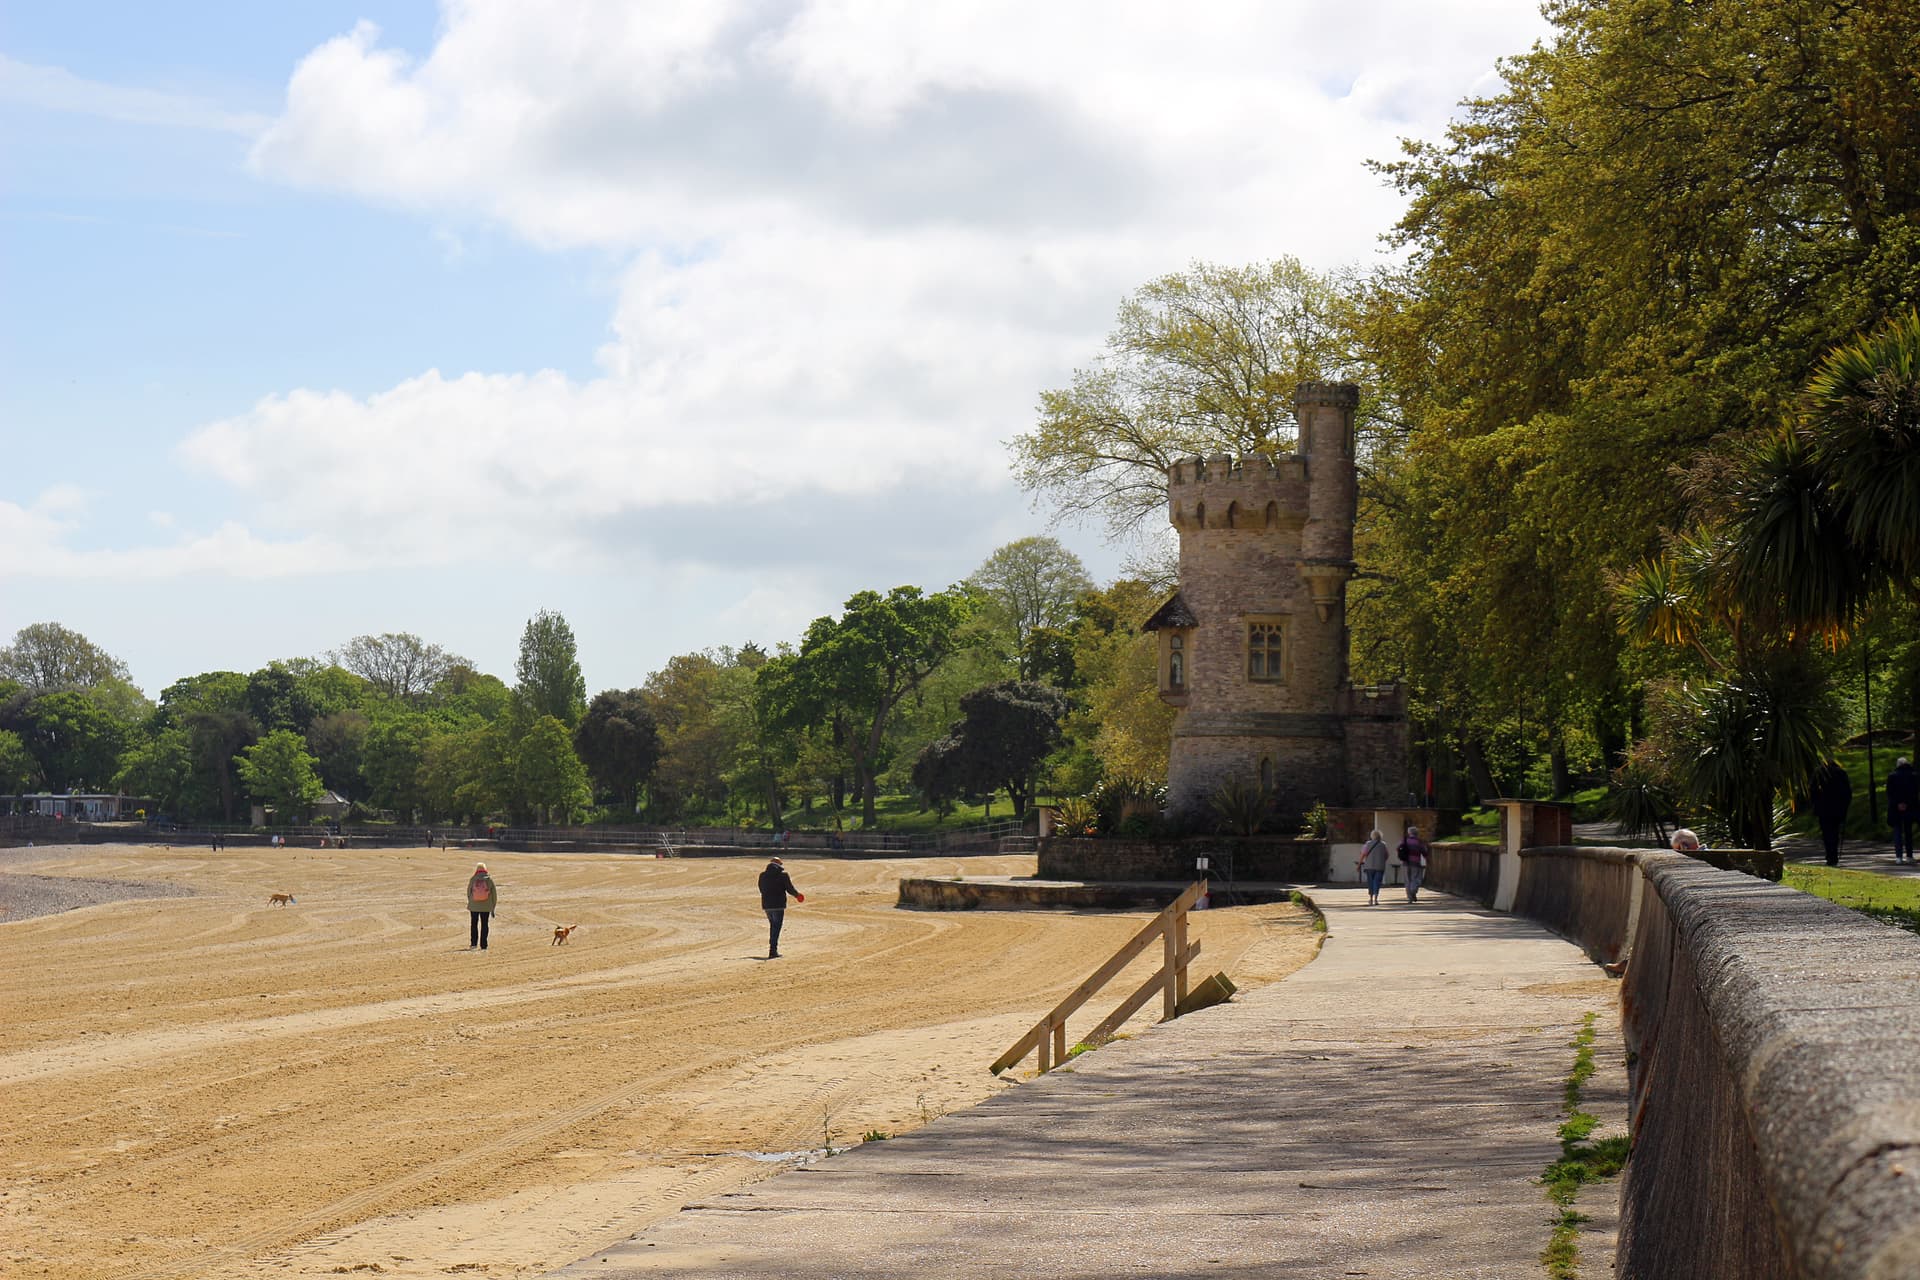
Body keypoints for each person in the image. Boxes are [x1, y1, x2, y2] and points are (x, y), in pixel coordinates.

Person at [1808, 760, 1852, 866]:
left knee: (1827, 833)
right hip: (1837, 808)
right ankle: (1834, 856)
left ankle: (1830, 856)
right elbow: (1847, 792)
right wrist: (1845, 806)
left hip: (1823, 808)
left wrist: (1816, 803)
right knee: (1835, 833)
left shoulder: (1819, 773)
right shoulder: (1841, 773)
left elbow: (1812, 790)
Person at [758, 856, 803, 958]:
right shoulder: (783, 875)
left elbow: (761, 889)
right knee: (776, 927)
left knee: (773, 926)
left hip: (767, 905)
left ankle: (772, 948)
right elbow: (789, 889)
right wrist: (797, 895)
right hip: (778, 905)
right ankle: (773, 950)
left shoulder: (762, 875)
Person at [1889, 757, 1918, 864]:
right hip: (1909, 807)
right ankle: (1909, 855)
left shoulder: (1892, 776)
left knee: (1897, 831)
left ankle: (1898, 857)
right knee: (1908, 831)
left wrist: (1898, 803)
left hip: (1896, 808)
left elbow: (1890, 793)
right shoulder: (1913, 776)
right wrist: (1906, 803)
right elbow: (1914, 793)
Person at [467, 861, 498, 951]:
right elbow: (494, 895)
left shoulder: (473, 879)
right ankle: (484, 945)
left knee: (474, 924)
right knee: (484, 924)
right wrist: (493, 907)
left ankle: (473, 944)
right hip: (486, 906)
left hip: (474, 906)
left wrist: (471, 902)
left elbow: (469, 892)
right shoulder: (489, 880)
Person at [1357, 828, 1390, 906]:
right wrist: (1382, 860)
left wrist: (1359, 865)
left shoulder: (1367, 844)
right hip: (1380, 867)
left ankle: (1371, 899)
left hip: (1369, 866)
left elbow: (1363, 855)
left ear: (1372, 836)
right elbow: (1387, 855)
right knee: (1377, 882)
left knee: (1370, 882)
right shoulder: (1383, 845)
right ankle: (1376, 899)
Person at [1399, 824, 1430, 902]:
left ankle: (1410, 897)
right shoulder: (1419, 842)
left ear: (1409, 833)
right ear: (1417, 833)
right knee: (1415, 878)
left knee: (1407, 880)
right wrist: (1427, 859)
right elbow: (1424, 852)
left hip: (1406, 862)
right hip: (1415, 862)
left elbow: (1398, 849)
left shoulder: (1405, 840)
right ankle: (1413, 891)